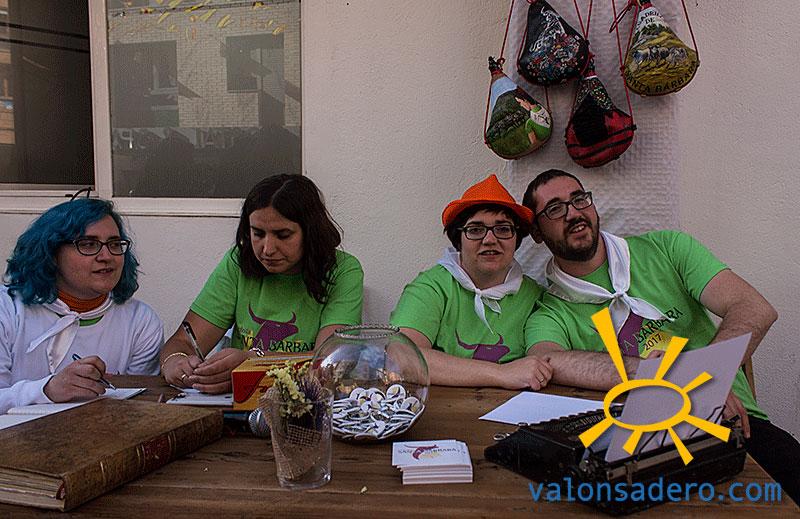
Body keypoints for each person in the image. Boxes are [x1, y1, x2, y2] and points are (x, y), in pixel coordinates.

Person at [522, 168, 800, 503]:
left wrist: (704, 383)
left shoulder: (667, 248)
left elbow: (755, 308)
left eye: (579, 199)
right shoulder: (551, 312)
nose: (573, 213)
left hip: (731, 422)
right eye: (555, 208)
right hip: (642, 446)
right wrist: (666, 376)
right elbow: (545, 359)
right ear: (537, 232)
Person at [160, 174, 363, 394]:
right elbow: (182, 342)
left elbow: (330, 362)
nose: (267, 249)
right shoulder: (238, 262)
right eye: (258, 233)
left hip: (307, 404)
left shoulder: (343, 270)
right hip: (234, 403)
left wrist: (253, 364)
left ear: (310, 232)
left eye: (283, 235)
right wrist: (176, 361)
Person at [0, 198, 163, 414]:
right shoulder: (7, 309)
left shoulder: (140, 321)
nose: (106, 256)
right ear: (52, 254)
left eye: (115, 244)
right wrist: (46, 390)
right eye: (88, 244)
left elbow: (139, 408)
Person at [390, 174, 552, 389]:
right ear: (458, 239)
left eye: (503, 229)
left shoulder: (535, 297)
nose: (490, 239)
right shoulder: (432, 287)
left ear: (516, 239)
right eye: (475, 230)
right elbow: (400, 357)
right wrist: (501, 373)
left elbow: (546, 359)